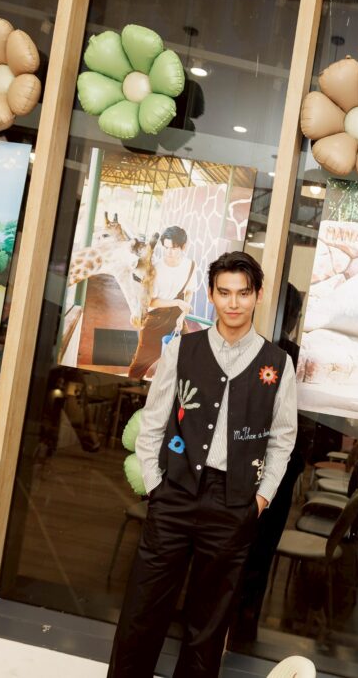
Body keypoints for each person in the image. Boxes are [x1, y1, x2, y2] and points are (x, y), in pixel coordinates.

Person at [108, 251, 297, 677]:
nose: (234, 303)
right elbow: (154, 421)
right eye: (224, 293)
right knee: (142, 613)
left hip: (233, 504)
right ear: (211, 295)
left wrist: (261, 498)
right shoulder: (182, 349)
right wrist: (155, 485)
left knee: (207, 628)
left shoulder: (278, 364)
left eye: (243, 293)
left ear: (258, 295)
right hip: (174, 495)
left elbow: (283, 439)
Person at [127, 226, 199, 379]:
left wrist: (182, 315)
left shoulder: (190, 266)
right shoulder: (155, 269)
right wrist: (177, 303)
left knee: (188, 359)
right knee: (139, 367)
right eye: (165, 248)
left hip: (176, 318)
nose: (168, 252)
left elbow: (189, 292)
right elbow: (150, 302)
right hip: (154, 320)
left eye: (173, 248)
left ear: (183, 247)